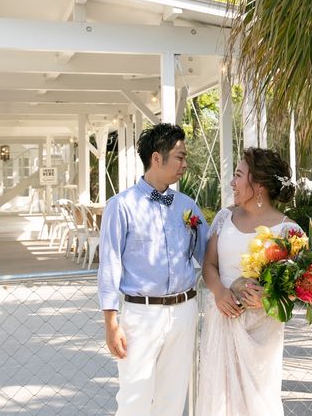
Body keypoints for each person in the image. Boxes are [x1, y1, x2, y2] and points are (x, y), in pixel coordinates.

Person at [97, 122, 208, 416]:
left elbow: (209, 253)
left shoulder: (187, 206)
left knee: (173, 399)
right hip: (141, 315)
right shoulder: (121, 206)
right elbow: (110, 264)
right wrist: (111, 324)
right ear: (157, 158)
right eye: (180, 157)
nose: (185, 164)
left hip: (184, 312)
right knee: (133, 399)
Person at [197, 147, 299, 416]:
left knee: (258, 402)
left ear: (260, 184)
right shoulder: (224, 218)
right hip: (222, 319)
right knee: (218, 400)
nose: (232, 182)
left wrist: (268, 298)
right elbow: (209, 265)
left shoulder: (289, 231)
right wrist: (219, 292)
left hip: (261, 328)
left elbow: (299, 289)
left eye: (239, 175)